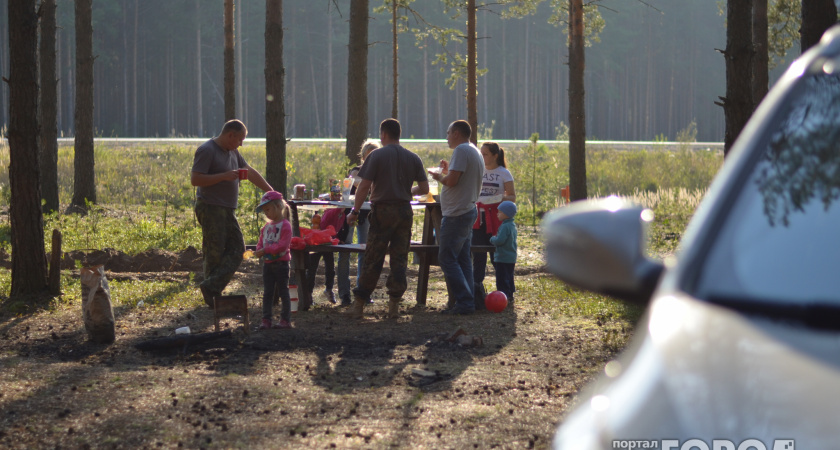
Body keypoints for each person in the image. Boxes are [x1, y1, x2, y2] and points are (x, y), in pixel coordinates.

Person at [346, 118, 429, 319]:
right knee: (399, 258)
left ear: (383, 134)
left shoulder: (376, 156)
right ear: (398, 134)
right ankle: (394, 306)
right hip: (404, 213)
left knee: (373, 257)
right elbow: (425, 189)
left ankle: (359, 304)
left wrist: (355, 211)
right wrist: (407, 191)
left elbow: (364, 186)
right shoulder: (413, 158)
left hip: (382, 212)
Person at [191, 119, 273, 307]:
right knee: (214, 251)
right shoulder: (207, 150)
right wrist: (224, 176)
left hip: (227, 209)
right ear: (230, 135)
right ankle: (212, 296)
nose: (241, 144)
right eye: (240, 139)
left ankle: (211, 287)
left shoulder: (233, 151)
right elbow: (195, 179)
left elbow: (249, 171)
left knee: (237, 249)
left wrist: (270, 192)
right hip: (210, 207)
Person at [428, 120, 484, 315]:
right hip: (467, 210)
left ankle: (465, 302)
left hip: (457, 214)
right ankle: (468, 301)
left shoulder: (461, 150)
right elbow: (458, 177)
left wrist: (438, 177)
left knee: (446, 258)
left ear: (457, 133)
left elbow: (452, 181)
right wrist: (446, 171)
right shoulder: (473, 150)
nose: (446, 137)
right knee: (462, 259)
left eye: (448, 132)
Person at [472, 142, 516, 309]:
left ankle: (505, 291)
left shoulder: (504, 173)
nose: (482, 157)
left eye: (485, 154)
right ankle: (476, 290)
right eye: (481, 154)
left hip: (496, 218)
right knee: (478, 254)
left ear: (495, 155)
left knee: (498, 256)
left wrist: (499, 198)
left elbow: (512, 197)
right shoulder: (478, 171)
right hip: (478, 218)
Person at [337, 140, 379, 306]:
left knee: (365, 251)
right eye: (368, 157)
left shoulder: (379, 174)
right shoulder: (356, 171)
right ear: (362, 158)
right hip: (351, 214)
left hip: (368, 215)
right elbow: (356, 184)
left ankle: (362, 292)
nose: (371, 160)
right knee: (344, 251)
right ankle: (344, 294)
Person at [254, 191, 293, 329]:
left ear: (278, 206)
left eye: (268, 209)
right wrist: (259, 250)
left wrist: (266, 250)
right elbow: (261, 242)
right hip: (268, 264)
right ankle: (266, 319)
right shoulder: (266, 227)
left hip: (281, 264)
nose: (266, 213)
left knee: (283, 291)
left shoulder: (285, 225)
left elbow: (283, 245)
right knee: (268, 292)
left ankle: (285, 319)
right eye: (264, 211)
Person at [305, 207, 345, 304]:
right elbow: (321, 226)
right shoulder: (331, 212)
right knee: (312, 268)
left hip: (327, 242)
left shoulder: (342, 215)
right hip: (317, 242)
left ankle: (329, 289)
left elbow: (336, 230)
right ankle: (308, 293)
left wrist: (337, 239)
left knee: (330, 267)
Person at [489, 200, 518, 302]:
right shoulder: (512, 225)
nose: (497, 214)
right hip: (511, 257)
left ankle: (503, 296)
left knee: (501, 278)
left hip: (503, 257)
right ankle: (510, 294)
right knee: (509, 276)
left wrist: (492, 239)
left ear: (506, 214)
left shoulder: (505, 226)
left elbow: (500, 241)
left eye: (500, 212)